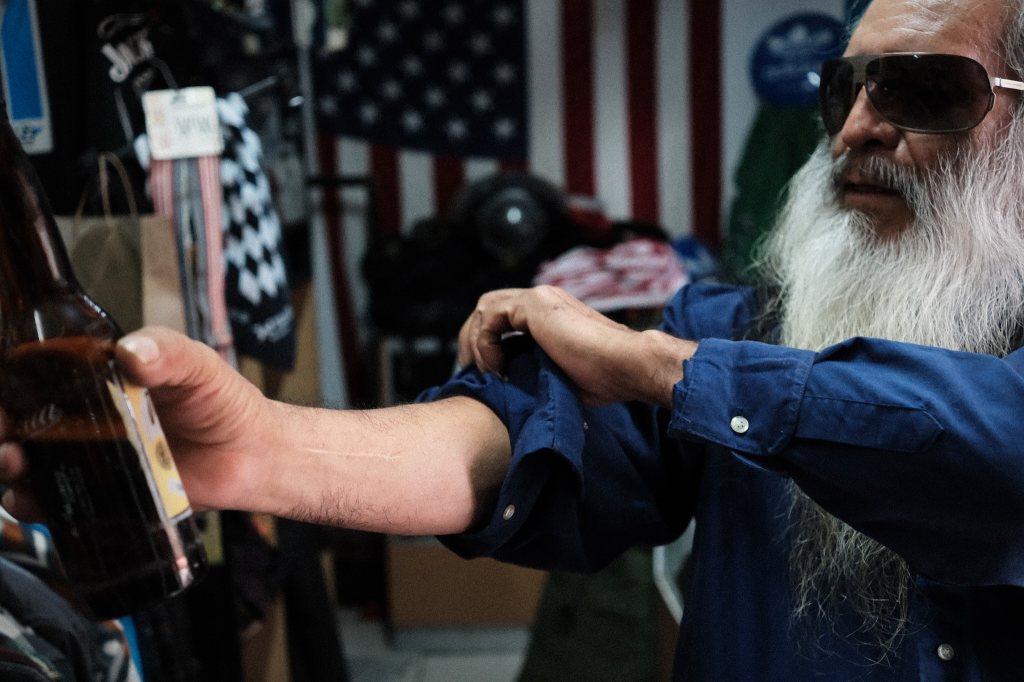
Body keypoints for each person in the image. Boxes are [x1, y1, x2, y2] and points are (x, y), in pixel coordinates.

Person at [4, 0, 1024, 678]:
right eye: (843, 90)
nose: (855, 130)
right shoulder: (743, 327)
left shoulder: (703, 361)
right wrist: (260, 448)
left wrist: (659, 367)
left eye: (923, 91)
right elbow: (526, 451)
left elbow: (993, 443)